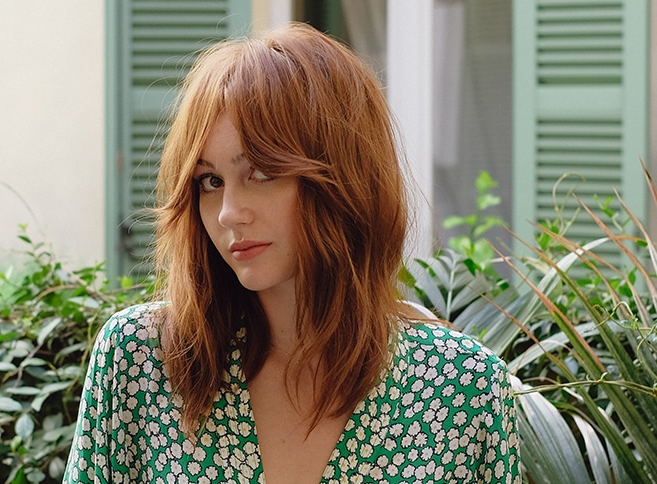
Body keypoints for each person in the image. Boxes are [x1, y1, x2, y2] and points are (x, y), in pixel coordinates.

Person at [63, 23, 520, 483]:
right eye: (210, 181)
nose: (228, 213)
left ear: (345, 180)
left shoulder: (464, 388)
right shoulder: (142, 360)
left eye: (260, 173)